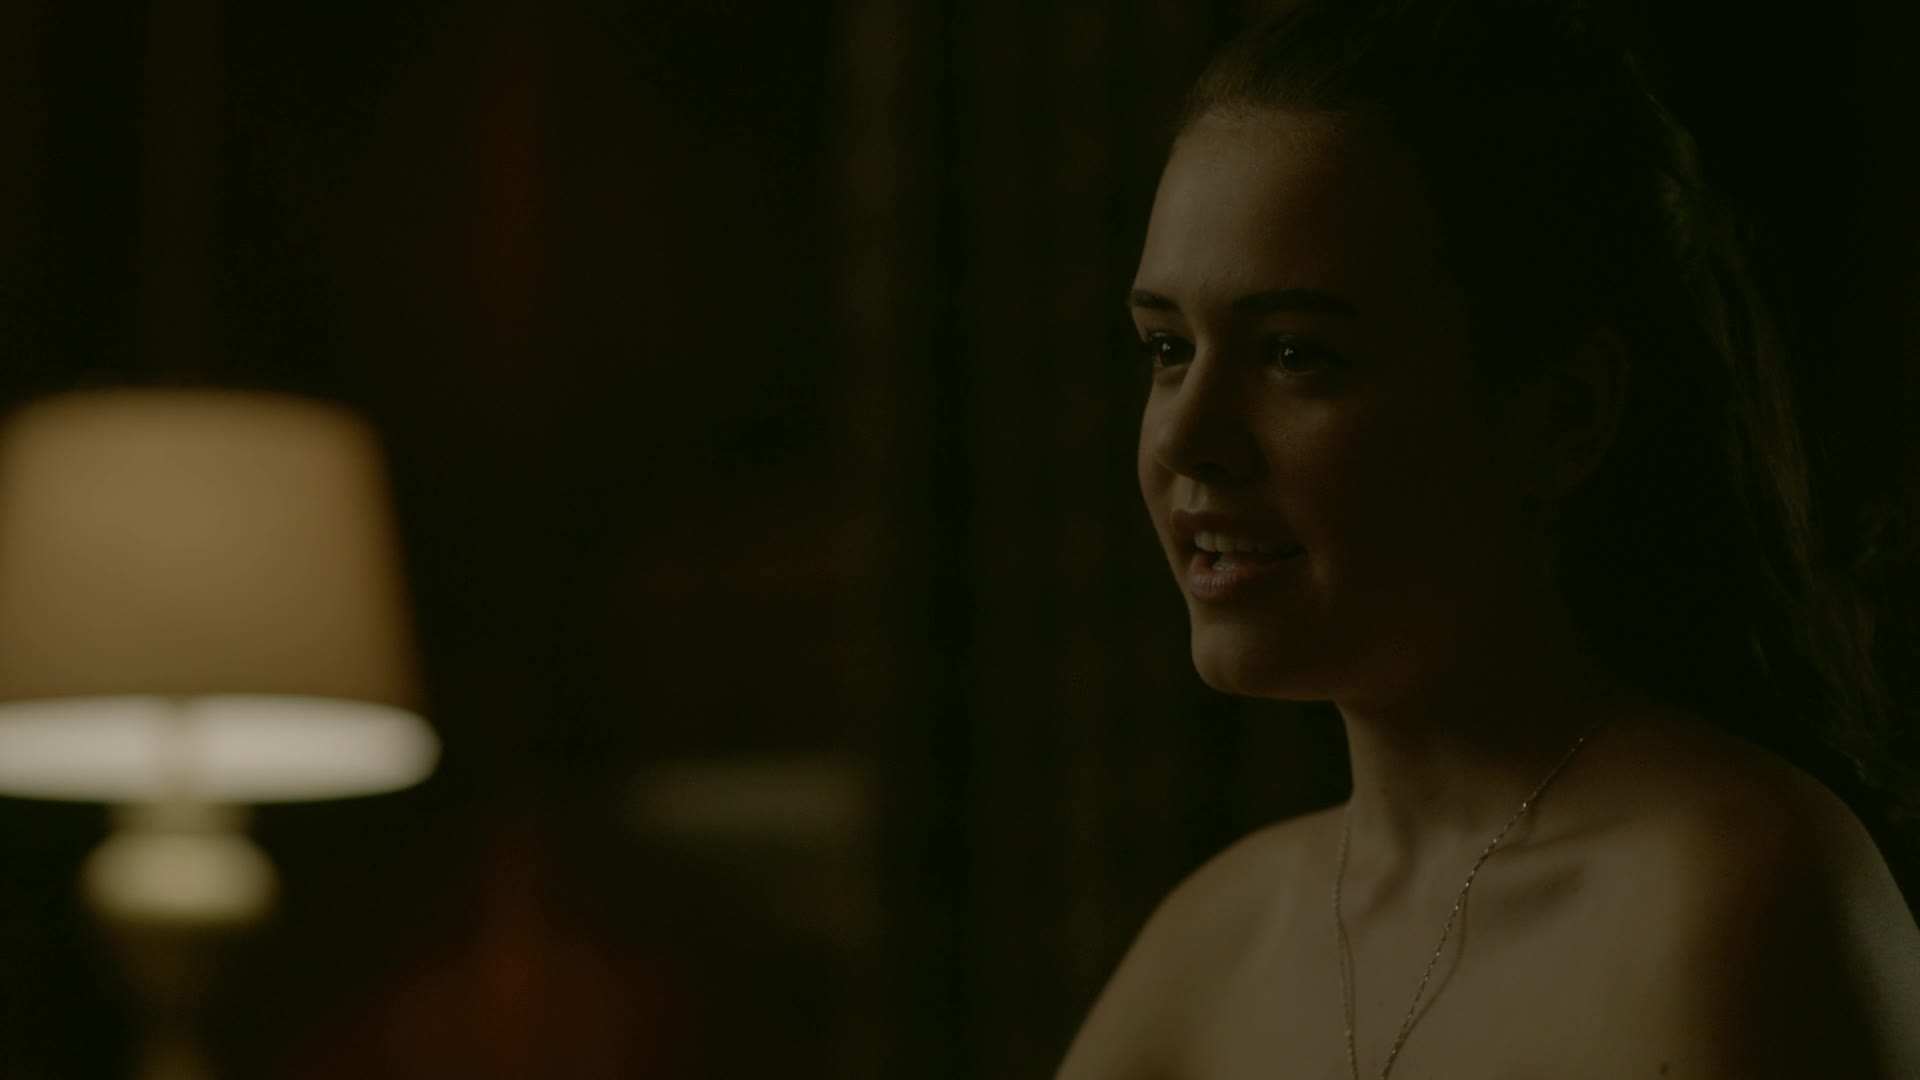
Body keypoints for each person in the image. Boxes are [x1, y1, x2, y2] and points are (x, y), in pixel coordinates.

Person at [1055, 1, 1920, 1076]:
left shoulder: (1726, 901)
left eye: (1294, 354)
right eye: (1168, 347)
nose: (1188, 437)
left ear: (1561, 415)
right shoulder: (1213, 943)